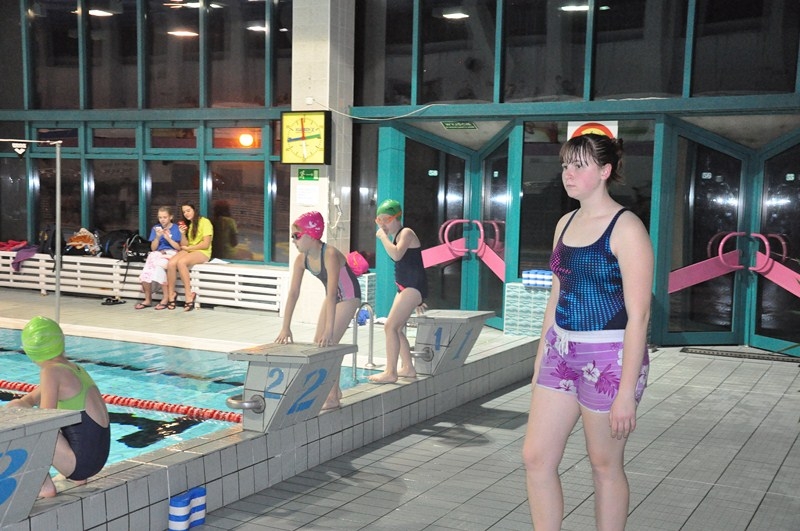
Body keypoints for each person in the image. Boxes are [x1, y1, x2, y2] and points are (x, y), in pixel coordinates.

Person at [521, 133, 653, 531]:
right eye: (565, 165)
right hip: (560, 350)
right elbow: (556, 294)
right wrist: (540, 359)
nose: (568, 173)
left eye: (579, 165)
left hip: (610, 357)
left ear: (605, 171)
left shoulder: (627, 228)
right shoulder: (565, 223)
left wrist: (626, 393)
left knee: (604, 465)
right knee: (536, 457)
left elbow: (639, 316)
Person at [5, 316, 110, 498]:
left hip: (81, 464)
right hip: (96, 460)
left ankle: (43, 485)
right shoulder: (73, 368)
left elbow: (43, 422)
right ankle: (77, 478)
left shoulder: (51, 371)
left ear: (30, 350)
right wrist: (15, 406)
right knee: (17, 407)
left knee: (30, 425)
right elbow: (29, 400)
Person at [275, 211, 361, 410]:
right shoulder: (301, 260)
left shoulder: (329, 254)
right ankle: (335, 390)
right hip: (334, 297)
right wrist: (285, 327)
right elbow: (293, 293)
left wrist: (329, 330)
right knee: (318, 343)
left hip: (349, 296)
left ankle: (332, 397)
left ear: (311, 234)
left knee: (328, 344)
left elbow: (331, 294)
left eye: (296, 235)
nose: (293, 240)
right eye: (292, 236)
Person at [368, 199, 427, 384]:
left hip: (412, 287)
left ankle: (390, 372)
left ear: (396, 217)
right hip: (405, 287)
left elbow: (396, 254)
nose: (383, 224)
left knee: (390, 327)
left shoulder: (406, 232)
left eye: (386, 219)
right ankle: (408, 368)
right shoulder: (397, 236)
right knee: (397, 328)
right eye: (379, 220)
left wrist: (382, 237)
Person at [166, 203, 213, 311]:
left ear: (194, 210)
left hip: (203, 252)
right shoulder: (190, 224)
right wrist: (182, 234)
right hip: (190, 249)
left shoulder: (205, 222)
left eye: (188, 210)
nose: (186, 214)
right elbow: (185, 244)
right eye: (184, 212)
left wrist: (190, 248)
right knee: (171, 263)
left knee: (181, 262)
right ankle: (171, 294)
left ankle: (189, 295)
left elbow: (205, 244)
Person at [136, 206, 182, 310]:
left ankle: (166, 298)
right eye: (160, 217)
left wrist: (168, 238)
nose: (162, 220)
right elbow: (153, 248)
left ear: (171, 217)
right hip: (158, 253)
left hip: (171, 253)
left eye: (165, 217)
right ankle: (148, 299)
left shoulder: (176, 228)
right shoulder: (156, 228)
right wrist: (157, 237)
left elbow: (178, 247)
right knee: (146, 271)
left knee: (159, 266)